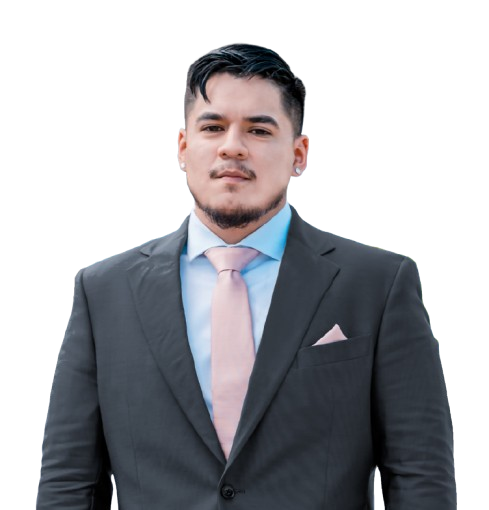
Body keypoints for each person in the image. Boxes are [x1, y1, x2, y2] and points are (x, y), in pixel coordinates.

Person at [36, 42, 456, 509]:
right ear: (183, 147)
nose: (232, 146)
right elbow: (68, 482)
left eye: (258, 129)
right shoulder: (103, 292)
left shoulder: (377, 283)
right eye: (213, 127)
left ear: (299, 154)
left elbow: (420, 474)